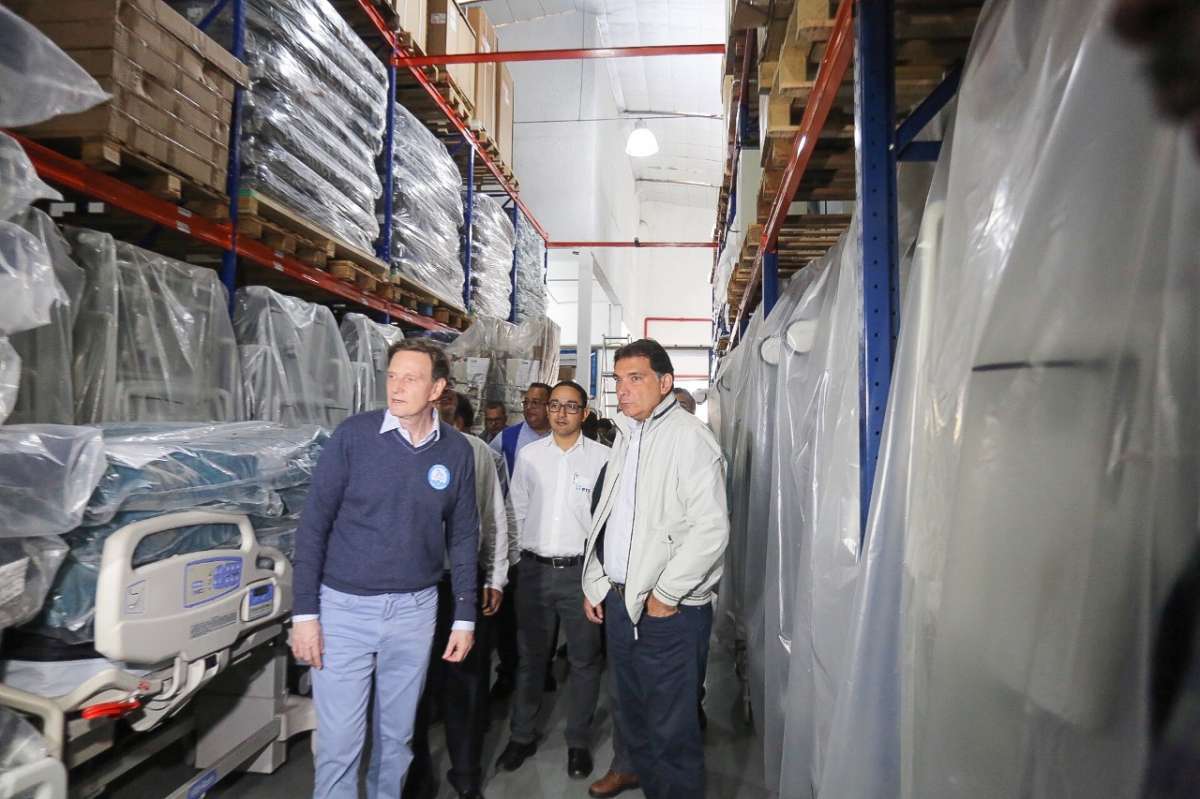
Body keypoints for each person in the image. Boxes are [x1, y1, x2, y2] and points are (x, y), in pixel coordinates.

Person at [291, 339, 479, 799]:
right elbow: (313, 526)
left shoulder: (456, 451)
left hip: (416, 611)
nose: (396, 387)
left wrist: (465, 615)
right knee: (339, 746)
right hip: (344, 610)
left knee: (396, 742)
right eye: (392, 376)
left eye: (411, 378)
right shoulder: (353, 437)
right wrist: (305, 614)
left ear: (437, 389)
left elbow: (463, 536)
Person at [581, 339, 729, 799]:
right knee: (629, 704)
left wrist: (665, 595)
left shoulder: (689, 438)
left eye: (636, 378)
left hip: (668, 610)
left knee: (671, 724)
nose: (623, 389)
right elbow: (612, 515)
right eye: (618, 380)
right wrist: (597, 580)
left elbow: (711, 529)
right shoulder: (628, 436)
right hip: (621, 600)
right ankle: (632, 770)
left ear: (665, 383)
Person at [496, 381, 610, 780]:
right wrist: (513, 565)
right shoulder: (530, 456)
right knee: (531, 659)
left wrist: (599, 579)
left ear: (584, 412)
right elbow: (515, 511)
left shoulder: (603, 459)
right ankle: (522, 735)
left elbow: (606, 523)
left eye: (570, 406)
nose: (561, 413)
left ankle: (578, 741)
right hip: (534, 573)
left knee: (584, 660)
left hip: (581, 576)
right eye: (555, 405)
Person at [406, 389, 514, 799]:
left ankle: (466, 775)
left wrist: (496, 578)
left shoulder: (476, 453)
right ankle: (418, 776)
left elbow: (496, 518)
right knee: (414, 685)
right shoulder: (402, 449)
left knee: (465, 683)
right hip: (413, 586)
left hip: (463, 583)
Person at [489, 382, 553, 700]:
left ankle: (543, 667)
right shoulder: (507, 439)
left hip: (550, 541)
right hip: (514, 539)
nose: (530, 408)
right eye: (526, 402)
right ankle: (509, 670)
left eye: (537, 402)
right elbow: (488, 477)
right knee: (510, 614)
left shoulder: (562, 439)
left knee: (546, 613)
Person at [491, 382, 553, 477]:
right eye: (526, 402)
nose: (528, 407)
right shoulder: (507, 438)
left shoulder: (561, 437)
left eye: (535, 403)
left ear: (550, 406)